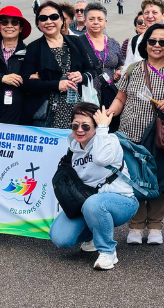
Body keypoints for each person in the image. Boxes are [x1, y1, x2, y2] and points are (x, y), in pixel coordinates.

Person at [106, 23, 164, 245]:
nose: (156, 46)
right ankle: (136, 225)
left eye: (162, 42)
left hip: (161, 136)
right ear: (145, 43)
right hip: (130, 133)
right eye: (152, 41)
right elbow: (121, 98)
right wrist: (110, 113)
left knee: (158, 182)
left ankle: (156, 225)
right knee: (133, 180)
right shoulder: (132, 69)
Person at [49, 102, 139, 270]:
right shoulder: (73, 150)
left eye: (86, 126)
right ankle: (93, 237)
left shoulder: (110, 140)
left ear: (97, 126)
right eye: (75, 125)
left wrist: (103, 128)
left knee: (94, 204)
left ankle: (108, 252)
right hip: (90, 203)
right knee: (60, 238)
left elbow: (100, 159)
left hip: (122, 201)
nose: (79, 130)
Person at [21, 1, 100, 128]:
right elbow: (25, 83)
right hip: (48, 111)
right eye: (43, 18)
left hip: (76, 109)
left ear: (62, 20)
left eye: (54, 17)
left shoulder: (76, 41)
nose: (49, 21)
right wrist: (56, 84)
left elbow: (90, 70)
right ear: (38, 24)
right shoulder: (33, 48)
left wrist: (82, 77)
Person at [83, 3, 123, 107]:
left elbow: (121, 63)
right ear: (85, 22)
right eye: (91, 19)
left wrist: (119, 71)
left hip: (109, 93)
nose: (96, 22)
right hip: (87, 94)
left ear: (105, 22)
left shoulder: (113, 43)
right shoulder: (78, 43)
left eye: (100, 19)